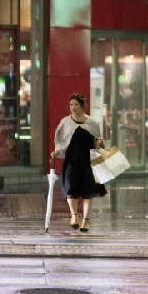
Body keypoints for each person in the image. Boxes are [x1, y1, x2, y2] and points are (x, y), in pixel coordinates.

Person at [51, 93, 106, 233]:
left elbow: (97, 142)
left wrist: (100, 143)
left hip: (88, 160)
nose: (73, 107)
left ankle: (86, 221)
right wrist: (56, 151)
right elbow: (62, 141)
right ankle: (74, 216)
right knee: (71, 188)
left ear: (82, 106)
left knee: (88, 191)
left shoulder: (92, 123)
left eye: (76, 104)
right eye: (71, 104)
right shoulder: (65, 122)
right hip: (72, 160)